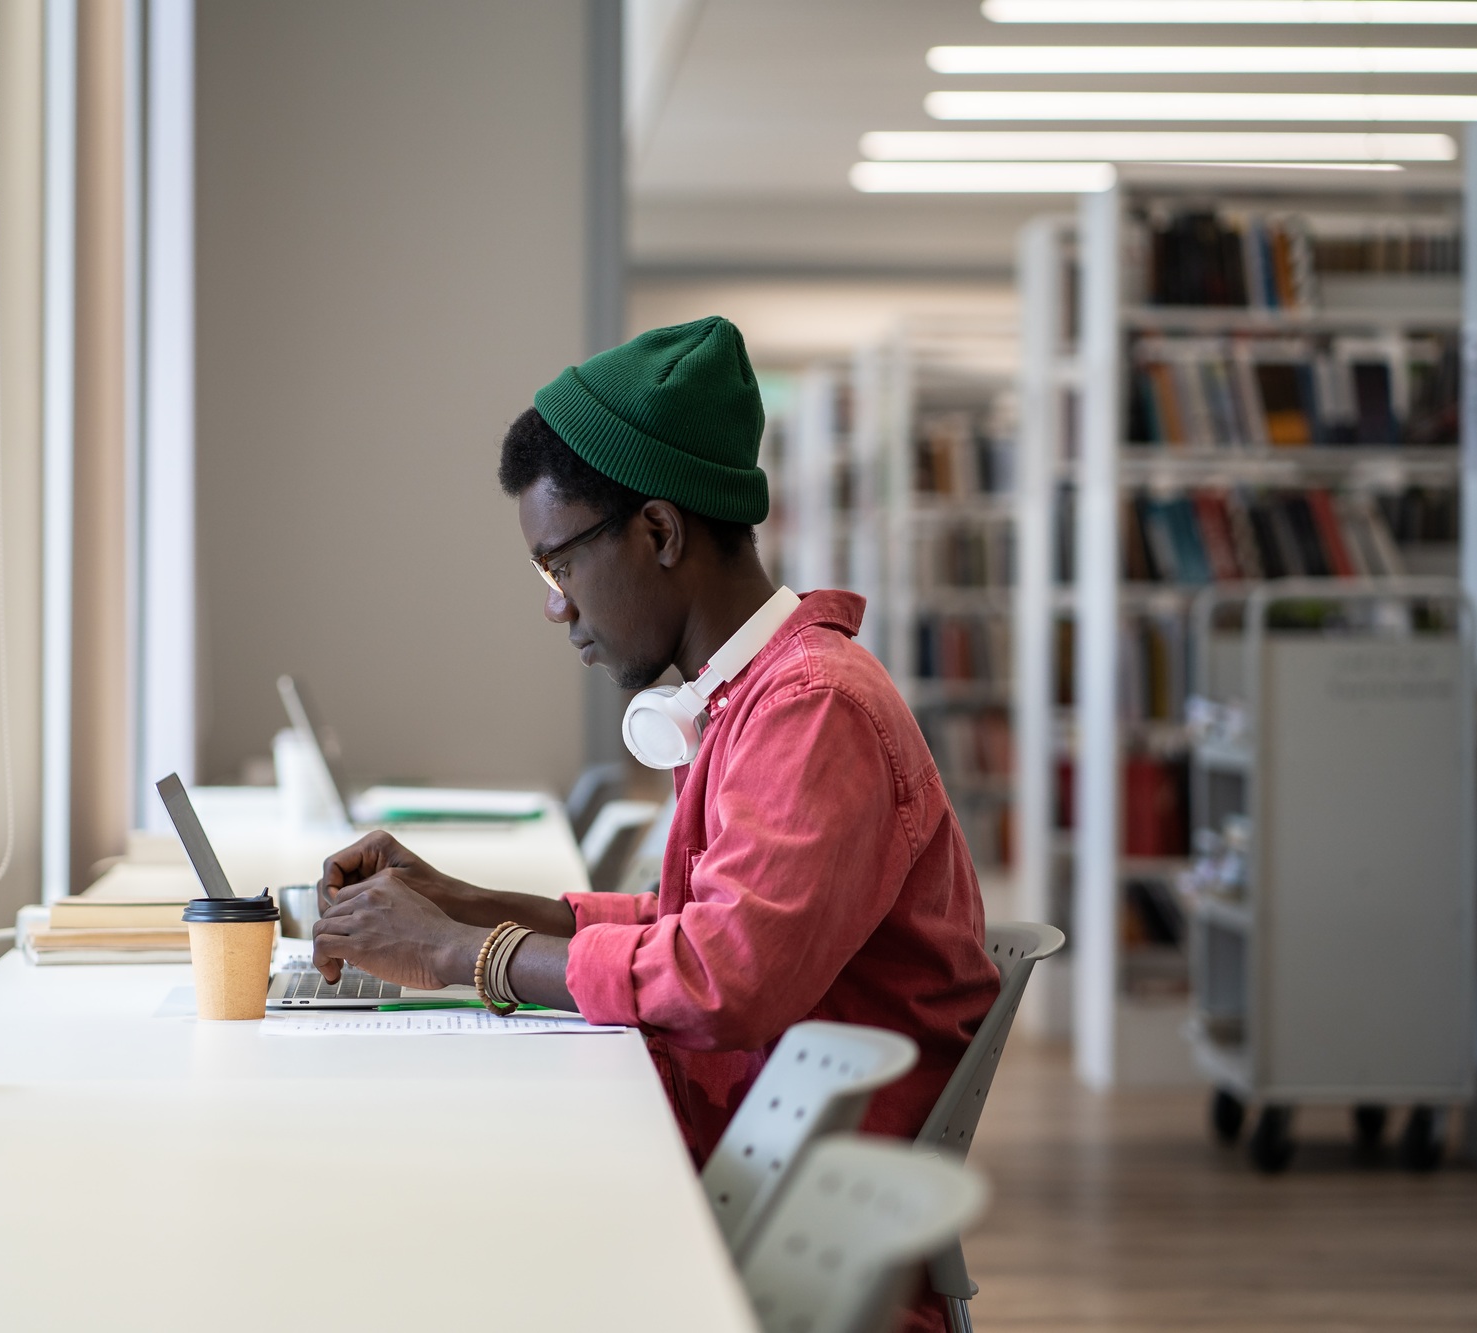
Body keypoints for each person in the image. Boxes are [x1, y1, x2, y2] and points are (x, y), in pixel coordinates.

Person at [312, 317, 999, 1323]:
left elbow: (721, 978)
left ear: (659, 532)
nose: (556, 608)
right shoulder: (755, 696)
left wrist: (468, 953)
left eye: (559, 565)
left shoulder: (813, 709)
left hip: (772, 1230)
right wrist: (455, 902)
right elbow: (695, 922)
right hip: (730, 1168)